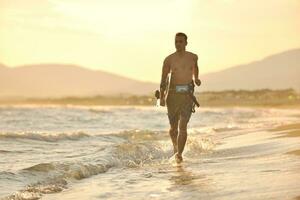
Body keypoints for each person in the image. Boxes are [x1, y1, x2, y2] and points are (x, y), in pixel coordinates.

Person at [159, 32, 201, 163]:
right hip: (172, 95)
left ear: (186, 43)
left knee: (183, 126)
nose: (178, 44)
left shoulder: (193, 57)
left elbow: (195, 68)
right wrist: (161, 97)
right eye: (176, 41)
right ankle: (175, 146)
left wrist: (196, 78)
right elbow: (163, 80)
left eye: (181, 41)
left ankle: (179, 155)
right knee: (173, 128)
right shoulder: (168, 59)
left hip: (187, 94)